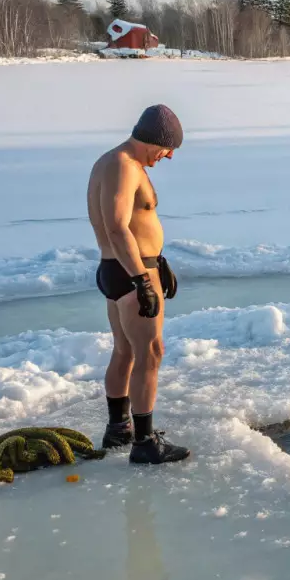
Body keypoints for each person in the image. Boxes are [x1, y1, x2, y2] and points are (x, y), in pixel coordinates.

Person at [86, 104, 190, 464]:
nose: (170, 155)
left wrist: (157, 263)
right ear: (155, 140)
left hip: (124, 268)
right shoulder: (123, 166)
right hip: (129, 272)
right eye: (168, 147)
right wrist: (142, 279)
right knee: (151, 353)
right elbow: (117, 226)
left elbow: (132, 225)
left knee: (125, 351)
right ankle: (145, 444)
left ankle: (120, 429)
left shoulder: (114, 162)